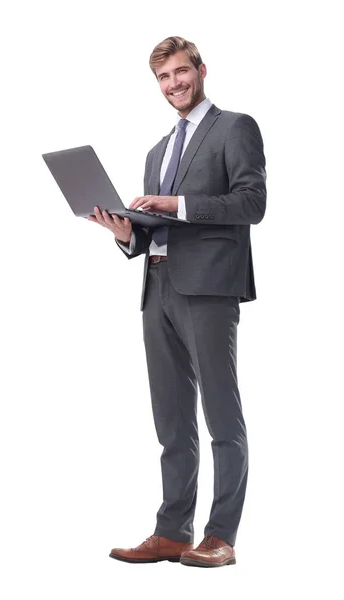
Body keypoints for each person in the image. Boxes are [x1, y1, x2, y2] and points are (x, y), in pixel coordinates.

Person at [87, 36, 266, 568]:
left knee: (220, 413)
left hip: (209, 287)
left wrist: (177, 203)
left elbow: (252, 202)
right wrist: (123, 232)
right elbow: (152, 232)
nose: (174, 85)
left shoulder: (235, 127)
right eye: (164, 78)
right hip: (157, 285)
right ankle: (172, 531)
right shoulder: (156, 151)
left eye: (181, 73)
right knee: (171, 418)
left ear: (201, 70)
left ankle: (221, 535)